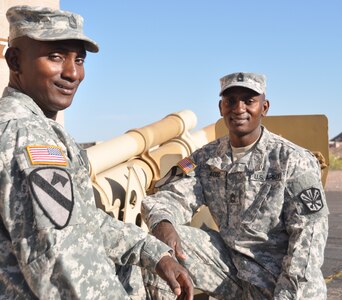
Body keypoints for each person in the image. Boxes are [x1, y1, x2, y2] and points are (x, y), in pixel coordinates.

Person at [0, 5, 193, 299]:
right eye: (55, 56)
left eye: (79, 59)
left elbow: (83, 221)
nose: (73, 72)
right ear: (15, 61)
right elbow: (62, 261)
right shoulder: (28, 136)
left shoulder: (27, 127)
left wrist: (152, 251)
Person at [142, 72, 329, 299]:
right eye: (231, 101)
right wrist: (163, 222)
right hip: (231, 268)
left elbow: (308, 241)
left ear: (264, 107)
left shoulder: (292, 159)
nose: (239, 108)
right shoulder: (206, 158)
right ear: (221, 108)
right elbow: (172, 196)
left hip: (279, 278)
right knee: (154, 248)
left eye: (249, 101)